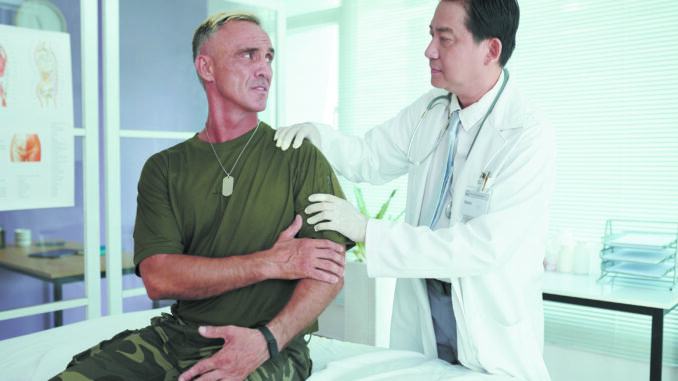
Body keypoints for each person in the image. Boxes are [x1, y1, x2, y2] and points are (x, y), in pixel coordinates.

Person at [51, 11, 352, 381]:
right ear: (206, 67)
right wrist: (270, 262)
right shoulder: (164, 167)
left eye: (269, 56)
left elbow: (329, 273)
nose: (265, 69)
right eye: (248, 54)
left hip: (272, 345)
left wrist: (267, 340)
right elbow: (159, 279)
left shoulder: (299, 156)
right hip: (180, 336)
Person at [274, 0, 555, 380]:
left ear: (491, 49)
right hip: (427, 312)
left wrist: (366, 230)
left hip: (489, 331)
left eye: (445, 38)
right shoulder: (432, 110)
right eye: (430, 35)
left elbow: (481, 248)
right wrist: (317, 135)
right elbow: (368, 156)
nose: (429, 50)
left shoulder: (526, 136)